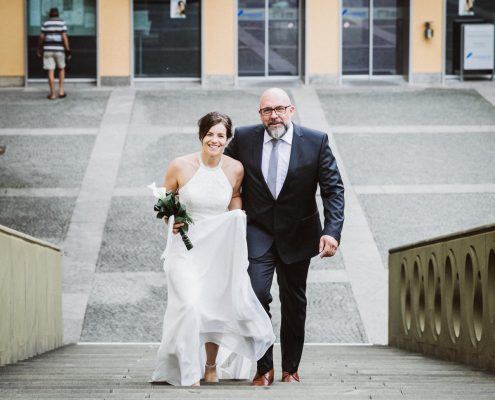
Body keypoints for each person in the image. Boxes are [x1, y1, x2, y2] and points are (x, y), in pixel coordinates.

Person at [223, 88, 345, 386]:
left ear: (291, 110)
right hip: (258, 232)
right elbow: (218, 171)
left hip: (299, 234)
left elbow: (333, 190)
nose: (274, 115)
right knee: (256, 294)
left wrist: (332, 231)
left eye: (279, 109)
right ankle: (264, 369)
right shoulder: (244, 138)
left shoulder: (316, 141)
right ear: (259, 113)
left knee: (294, 302)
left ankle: (290, 368)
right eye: (267, 110)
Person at [151, 112, 275, 386]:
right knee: (190, 304)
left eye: (221, 135)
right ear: (201, 136)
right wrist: (172, 216)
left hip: (217, 248)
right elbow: (163, 198)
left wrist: (238, 217)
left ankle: (210, 366)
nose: (215, 140)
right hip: (184, 248)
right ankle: (187, 369)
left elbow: (233, 196)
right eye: (210, 134)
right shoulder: (180, 166)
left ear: (227, 139)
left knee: (215, 306)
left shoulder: (235, 169)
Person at [36, 8, 71, 100]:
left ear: (49, 14)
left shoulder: (45, 23)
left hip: (48, 50)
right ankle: (61, 91)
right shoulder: (61, 23)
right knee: (61, 69)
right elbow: (64, 36)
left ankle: (52, 94)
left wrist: (39, 48)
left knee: (50, 71)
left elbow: (41, 36)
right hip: (59, 50)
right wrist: (67, 50)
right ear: (58, 14)